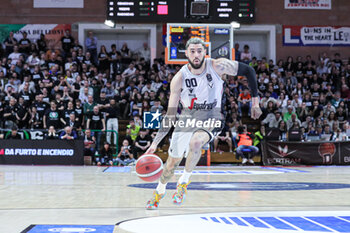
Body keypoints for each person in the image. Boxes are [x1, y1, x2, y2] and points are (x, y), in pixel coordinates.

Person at [144, 37, 261, 209]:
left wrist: (255, 102)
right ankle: (159, 191)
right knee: (171, 164)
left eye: (200, 51)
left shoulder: (218, 65)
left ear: (205, 52)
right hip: (187, 117)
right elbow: (170, 115)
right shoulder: (179, 78)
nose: (196, 55)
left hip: (212, 116)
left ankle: (183, 183)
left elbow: (249, 71)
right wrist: (155, 143)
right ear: (186, 54)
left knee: (196, 142)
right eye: (192, 51)